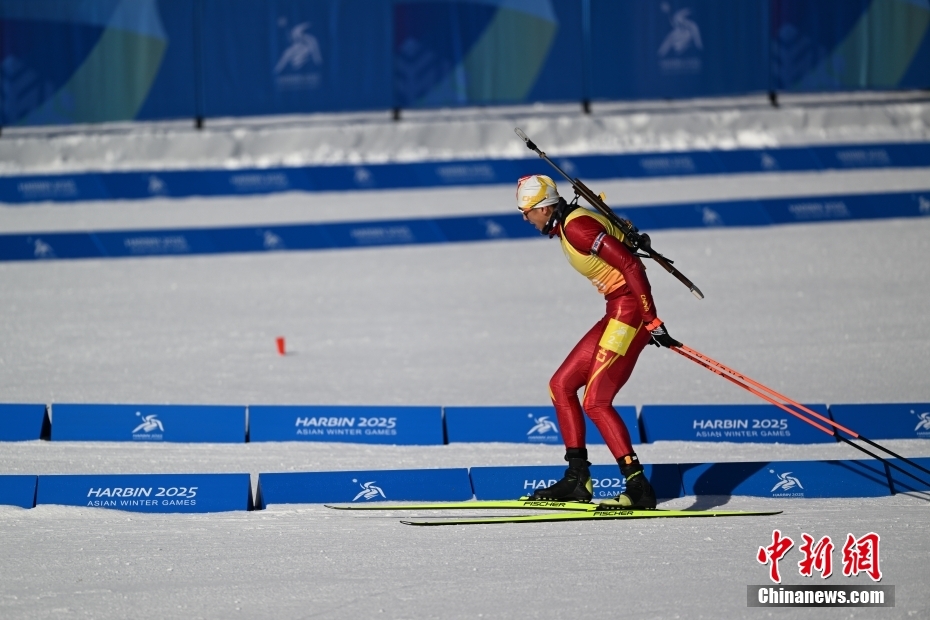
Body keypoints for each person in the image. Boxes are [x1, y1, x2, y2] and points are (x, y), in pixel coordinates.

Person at [516, 174, 681, 508]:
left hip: (630, 311)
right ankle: (577, 478)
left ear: (545, 209)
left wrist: (650, 319)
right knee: (561, 385)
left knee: (595, 401)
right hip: (617, 309)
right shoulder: (570, 223)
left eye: (527, 210)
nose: (525, 218)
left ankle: (638, 487)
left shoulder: (576, 227)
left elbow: (631, 264)